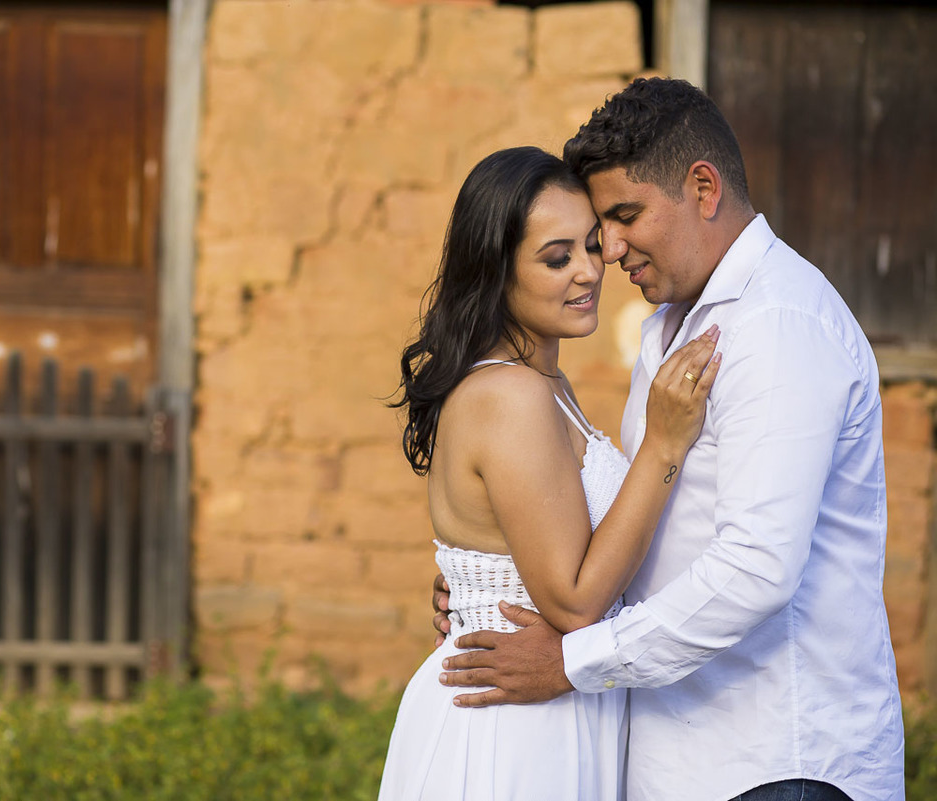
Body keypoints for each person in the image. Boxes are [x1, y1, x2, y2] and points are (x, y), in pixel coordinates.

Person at [434, 78, 905, 801]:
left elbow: (757, 568)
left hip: (774, 756)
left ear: (704, 189)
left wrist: (573, 661)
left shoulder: (778, 325)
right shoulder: (670, 327)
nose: (609, 251)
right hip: (673, 755)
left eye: (622, 218)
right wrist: (488, 581)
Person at [377, 145, 721, 800]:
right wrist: (662, 443)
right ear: (496, 271)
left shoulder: (547, 382)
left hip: (554, 703)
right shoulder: (511, 394)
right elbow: (572, 598)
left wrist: (473, 585)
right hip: (512, 726)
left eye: (593, 246)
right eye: (557, 257)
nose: (589, 271)